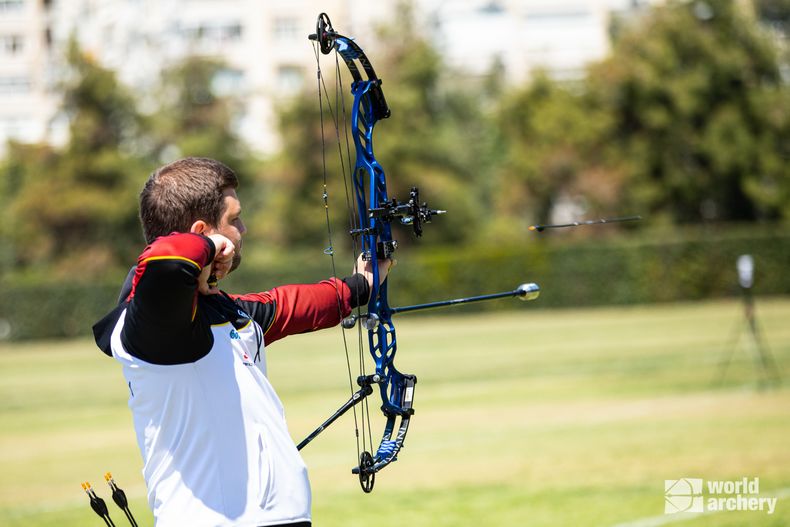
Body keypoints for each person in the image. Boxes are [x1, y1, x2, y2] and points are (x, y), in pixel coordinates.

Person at [93, 157, 389, 527]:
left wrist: (362, 283)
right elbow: (166, 264)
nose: (243, 229)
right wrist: (211, 243)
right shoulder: (153, 329)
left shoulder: (227, 312)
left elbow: (290, 304)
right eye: (234, 220)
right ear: (201, 232)